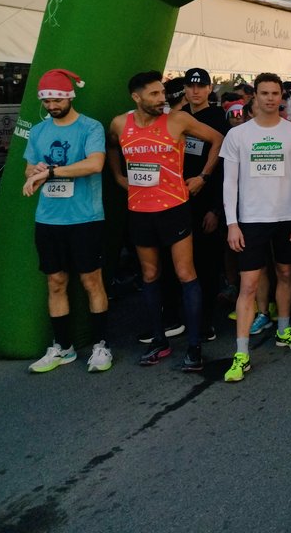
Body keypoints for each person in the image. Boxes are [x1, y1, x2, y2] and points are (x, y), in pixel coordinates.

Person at [108, 70, 223, 370]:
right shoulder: (121, 123)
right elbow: (111, 145)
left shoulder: (177, 120)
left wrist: (202, 176)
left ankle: (194, 346)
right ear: (137, 97)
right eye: (154, 94)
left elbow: (218, 140)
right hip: (140, 211)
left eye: (163, 93)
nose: (162, 99)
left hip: (174, 208)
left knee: (186, 273)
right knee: (149, 275)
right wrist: (119, 175)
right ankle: (160, 341)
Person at [220, 73, 291, 383]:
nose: (271, 98)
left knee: (286, 274)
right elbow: (229, 182)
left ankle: (284, 330)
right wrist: (232, 223)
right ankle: (242, 352)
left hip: (287, 218)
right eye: (265, 93)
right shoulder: (237, 136)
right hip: (250, 220)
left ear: (282, 96)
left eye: (276, 93)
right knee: (249, 285)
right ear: (255, 97)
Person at [23, 69, 112, 374]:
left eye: (57, 98)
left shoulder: (90, 127)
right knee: (55, 281)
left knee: (91, 281)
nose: (52, 104)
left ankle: (101, 345)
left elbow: (94, 164)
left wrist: (49, 173)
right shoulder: (38, 131)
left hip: (85, 217)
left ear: (70, 96)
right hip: (48, 219)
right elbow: (28, 169)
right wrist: (34, 170)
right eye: (47, 100)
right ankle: (63, 347)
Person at [179, 67, 230, 342]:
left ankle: (207, 320)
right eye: (190, 86)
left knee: (207, 263)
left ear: (210, 89)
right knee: (181, 264)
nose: (195, 91)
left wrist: (216, 209)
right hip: (177, 200)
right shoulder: (177, 117)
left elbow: (223, 168)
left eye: (201, 86)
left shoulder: (218, 119)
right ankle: (183, 316)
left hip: (207, 199)